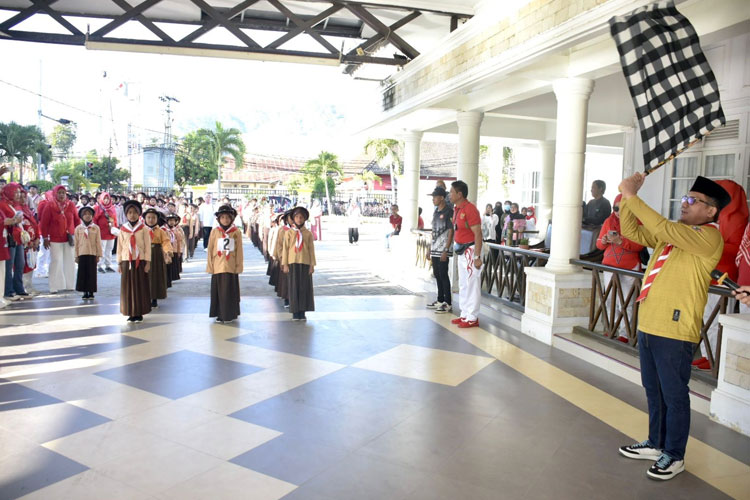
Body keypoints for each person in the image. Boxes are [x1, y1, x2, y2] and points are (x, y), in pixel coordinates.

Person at [617, 173, 730, 481]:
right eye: (684, 199)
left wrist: (632, 197)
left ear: (710, 211)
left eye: (693, 201)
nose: (685, 204)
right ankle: (656, 443)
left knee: (674, 395)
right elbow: (630, 230)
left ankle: (675, 455)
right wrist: (627, 198)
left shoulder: (708, 237)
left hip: (675, 330)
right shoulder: (676, 233)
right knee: (653, 390)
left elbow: (661, 227)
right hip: (650, 322)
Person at [693, 180, 747, 370]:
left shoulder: (738, 219)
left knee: (717, 318)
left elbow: (737, 249)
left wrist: (711, 243)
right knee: (707, 317)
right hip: (711, 273)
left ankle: (715, 357)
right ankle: (708, 353)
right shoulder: (720, 217)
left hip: (726, 277)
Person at [596, 194, 645, 343]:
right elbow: (598, 244)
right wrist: (604, 241)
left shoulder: (637, 222)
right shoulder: (608, 221)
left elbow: (640, 245)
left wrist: (620, 241)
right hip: (610, 266)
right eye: (615, 208)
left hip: (629, 267)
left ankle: (625, 333)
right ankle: (612, 329)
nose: (618, 211)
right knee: (610, 299)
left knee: (627, 301)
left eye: (621, 208)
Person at [449, 180, 482, 328]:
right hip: (461, 250)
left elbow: (478, 234)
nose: (449, 195)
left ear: (459, 194)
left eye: (452, 192)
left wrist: (477, 256)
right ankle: (464, 314)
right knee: (463, 283)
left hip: (470, 250)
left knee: (471, 283)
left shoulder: (470, 209)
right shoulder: (457, 209)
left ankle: (472, 317)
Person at [206, 204, 243, 324]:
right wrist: (210, 265)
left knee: (230, 290)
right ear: (218, 219)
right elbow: (210, 248)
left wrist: (238, 266)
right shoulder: (215, 231)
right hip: (218, 265)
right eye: (222, 218)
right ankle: (219, 313)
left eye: (228, 217)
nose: (225, 220)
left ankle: (230, 313)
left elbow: (239, 250)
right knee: (219, 291)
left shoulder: (236, 232)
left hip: (231, 265)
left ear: (231, 219)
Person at [117, 200, 151, 322]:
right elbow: (120, 246)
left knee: (140, 286)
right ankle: (130, 311)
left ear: (139, 214)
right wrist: (119, 262)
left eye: (135, 212)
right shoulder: (123, 229)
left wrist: (147, 262)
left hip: (139, 260)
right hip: (127, 260)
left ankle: (139, 311)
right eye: (130, 213)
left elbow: (147, 246)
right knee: (128, 287)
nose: (132, 215)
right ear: (126, 215)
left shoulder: (143, 229)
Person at [41, 185, 77, 294]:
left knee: (70, 261)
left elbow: (77, 220)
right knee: (56, 261)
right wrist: (45, 237)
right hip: (54, 239)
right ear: (55, 193)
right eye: (59, 192)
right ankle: (54, 286)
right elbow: (44, 223)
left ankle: (69, 285)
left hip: (69, 238)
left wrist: (78, 234)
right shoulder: (49, 206)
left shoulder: (71, 205)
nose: (61, 195)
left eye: (63, 193)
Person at [282, 206, 316, 321]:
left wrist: (312, 265)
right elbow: (285, 249)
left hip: (305, 263)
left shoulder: (308, 234)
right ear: (293, 219)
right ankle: (295, 311)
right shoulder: (289, 233)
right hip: (293, 263)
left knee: (304, 288)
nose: (299, 219)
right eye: (296, 217)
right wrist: (285, 264)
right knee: (294, 287)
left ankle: (303, 311)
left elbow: (311, 250)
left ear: (305, 219)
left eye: (301, 217)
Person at [426, 186, 453, 314]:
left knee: (443, 274)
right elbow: (433, 231)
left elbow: (451, 231)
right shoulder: (436, 212)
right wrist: (429, 248)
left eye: (435, 197)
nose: (433, 200)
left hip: (443, 249)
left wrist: (446, 249)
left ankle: (447, 302)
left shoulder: (449, 212)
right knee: (437, 274)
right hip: (435, 248)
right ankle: (440, 299)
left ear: (442, 198)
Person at [143, 208, 172, 309]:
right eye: (148, 217)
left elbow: (166, 242)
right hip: (144, 254)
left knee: (155, 276)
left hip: (156, 254)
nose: (151, 220)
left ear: (157, 219)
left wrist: (167, 252)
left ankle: (154, 298)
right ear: (145, 219)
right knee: (145, 276)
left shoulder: (161, 231)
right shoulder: (142, 230)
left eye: (153, 218)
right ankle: (145, 296)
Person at [74, 206, 102, 300]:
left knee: (92, 273)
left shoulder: (96, 228)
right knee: (82, 273)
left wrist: (98, 255)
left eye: (89, 214)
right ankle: (84, 292)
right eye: (85, 214)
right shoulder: (78, 228)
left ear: (92, 216)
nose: (87, 216)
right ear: (81, 216)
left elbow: (98, 241)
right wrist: (76, 255)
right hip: (82, 253)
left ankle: (91, 292)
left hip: (92, 253)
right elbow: (76, 243)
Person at [93, 192, 118, 273]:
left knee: (109, 249)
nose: (106, 200)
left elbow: (115, 219)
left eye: (108, 198)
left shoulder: (112, 208)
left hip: (111, 232)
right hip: (101, 232)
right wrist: (95, 231)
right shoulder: (97, 208)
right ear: (101, 199)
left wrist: (115, 228)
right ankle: (99, 265)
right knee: (101, 249)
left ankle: (108, 265)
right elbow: (94, 220)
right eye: (104, 198)